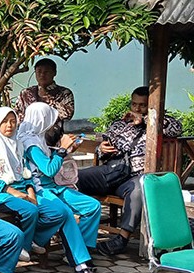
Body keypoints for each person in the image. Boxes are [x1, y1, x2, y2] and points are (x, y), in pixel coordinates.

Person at [77, 86, 183, 256]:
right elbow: (103, 146)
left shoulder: (158, 123)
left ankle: (122, 239)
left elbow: (177, 128)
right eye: (134, 104)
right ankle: (73, 228)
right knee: (74, 177)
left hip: (133, 178)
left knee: (139, 188)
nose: (137, 109)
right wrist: (101, 149)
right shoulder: (120, 124)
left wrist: (145, 120)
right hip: (111, 170)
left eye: (142, 105)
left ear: (150, 106)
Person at [19, 102, 106, 273]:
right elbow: (49, 170)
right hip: (40, 190)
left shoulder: (39, 138)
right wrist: (62, 150)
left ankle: (80, 251)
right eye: (50, 119)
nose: (53, 124)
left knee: (92, 206)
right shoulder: (30, 143)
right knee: (65, 213)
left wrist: (67, 150)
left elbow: (50, 163)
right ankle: (80, 265)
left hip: (54, 187)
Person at [0, 107, 42, 260]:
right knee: (30, 210)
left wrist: (31, 192)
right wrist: (13, 192)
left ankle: (28, 240)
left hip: (19, 189)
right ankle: (22, 247)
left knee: (43, 207)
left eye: (13, 121)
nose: (9, 125)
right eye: (4, 121)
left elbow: (26, 171)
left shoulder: (18, 145)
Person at [13, 58, 74, 146]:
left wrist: (46, 98)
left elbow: (67, 115)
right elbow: (17, 114)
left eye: (46, 72)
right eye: (39, 71)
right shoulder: (26, 93)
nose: (42, 75)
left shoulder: (64, 93)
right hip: (27, 138)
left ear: (54, 73)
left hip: (54, 139)